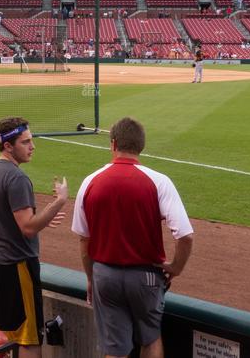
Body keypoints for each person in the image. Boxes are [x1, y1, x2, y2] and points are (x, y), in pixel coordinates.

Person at [72, 118, 194, 358]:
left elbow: (84, 241)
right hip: (146, 276)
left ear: (113, 143)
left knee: (114, 350)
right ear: (141, 146)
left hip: (104, 275)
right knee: (150, 339)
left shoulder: (90, 182)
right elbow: (185, 236)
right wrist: (175, 267)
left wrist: (90, 278)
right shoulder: (159, 181)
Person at [0, 117, 69, 357]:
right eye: (25, 142)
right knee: (29, 340)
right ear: (8, 146)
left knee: (3, 337)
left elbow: (11, 218)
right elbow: (28, 228)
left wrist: (45, 216)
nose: (32, 146)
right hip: (16, 268)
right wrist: (59, 202)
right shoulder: (17, 178)